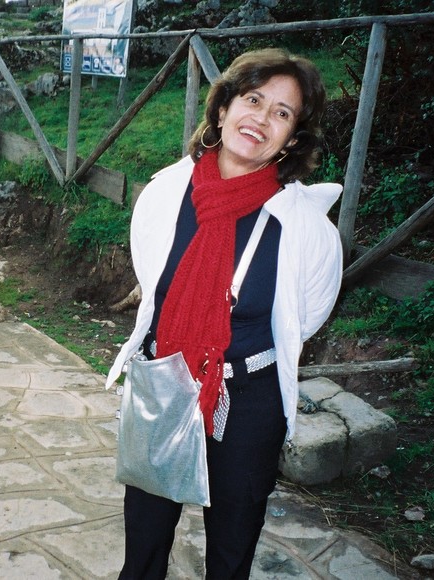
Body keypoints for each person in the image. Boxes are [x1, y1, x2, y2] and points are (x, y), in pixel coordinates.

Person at [106, 48, 343, 579]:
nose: (261, 118)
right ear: (221, 109)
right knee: (144, 543)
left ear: (294, 138)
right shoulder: (167, 193)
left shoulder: (305, 229)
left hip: (248, 401)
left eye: (282, 113)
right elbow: (153, 278)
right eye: (253, 99)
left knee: (231, 554)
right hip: (165, 381)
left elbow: (306, 314)